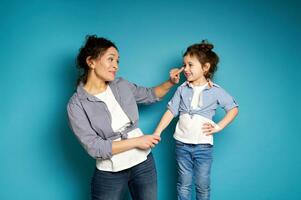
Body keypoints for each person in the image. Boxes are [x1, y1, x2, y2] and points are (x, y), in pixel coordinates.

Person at [67, 35, 182, 200]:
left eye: (117, 61)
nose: (116, 66)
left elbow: (150, 94)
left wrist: (171, 82)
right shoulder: (76, 105)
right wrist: (137, 142)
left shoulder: (121, 85)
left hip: (143, 162)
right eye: (111, 59)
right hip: (110, 172)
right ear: (91, 62)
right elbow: (95, 147)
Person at [153, 40, 239, 200]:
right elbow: (171, 111)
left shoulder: (215, 91)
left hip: (203, 148)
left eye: (190, 65)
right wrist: (157, 132)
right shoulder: (181, 89)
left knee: (202, 184)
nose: (185, 69)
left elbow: (233, 108)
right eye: (184, 65)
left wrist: (218, 127)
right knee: (183, 183)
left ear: (205, 67)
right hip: (182, 145)